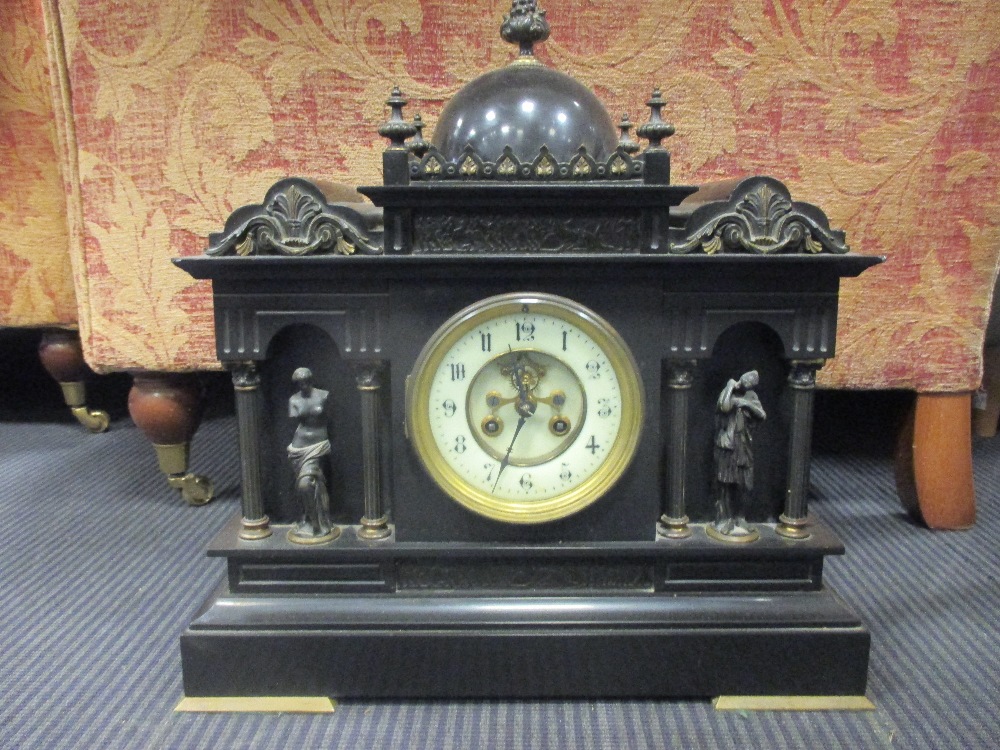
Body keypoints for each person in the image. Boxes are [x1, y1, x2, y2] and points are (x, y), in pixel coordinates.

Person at [711, 370, 766, 540]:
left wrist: (745, 403)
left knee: (746, 485)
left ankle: (741, 517)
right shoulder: (728, 392)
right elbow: (724, 406)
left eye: (751, 381)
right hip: (727, 445)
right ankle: (725, 518)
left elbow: (762, 415)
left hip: (743, 446)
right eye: (747, 379)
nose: (748, 383)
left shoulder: (751, 396)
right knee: (725, 484)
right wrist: (729, 386)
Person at [287, 368, 337, 543]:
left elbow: (328, 417)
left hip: (318, 445)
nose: (303, 385)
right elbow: (295, 418)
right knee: (302, 487)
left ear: (311, 379)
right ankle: (310, 520)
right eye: (300, 383)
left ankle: (319, 523)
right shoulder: (293, 399)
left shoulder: (323, 396)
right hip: (299, 447)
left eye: (306, 381)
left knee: (306, 483)